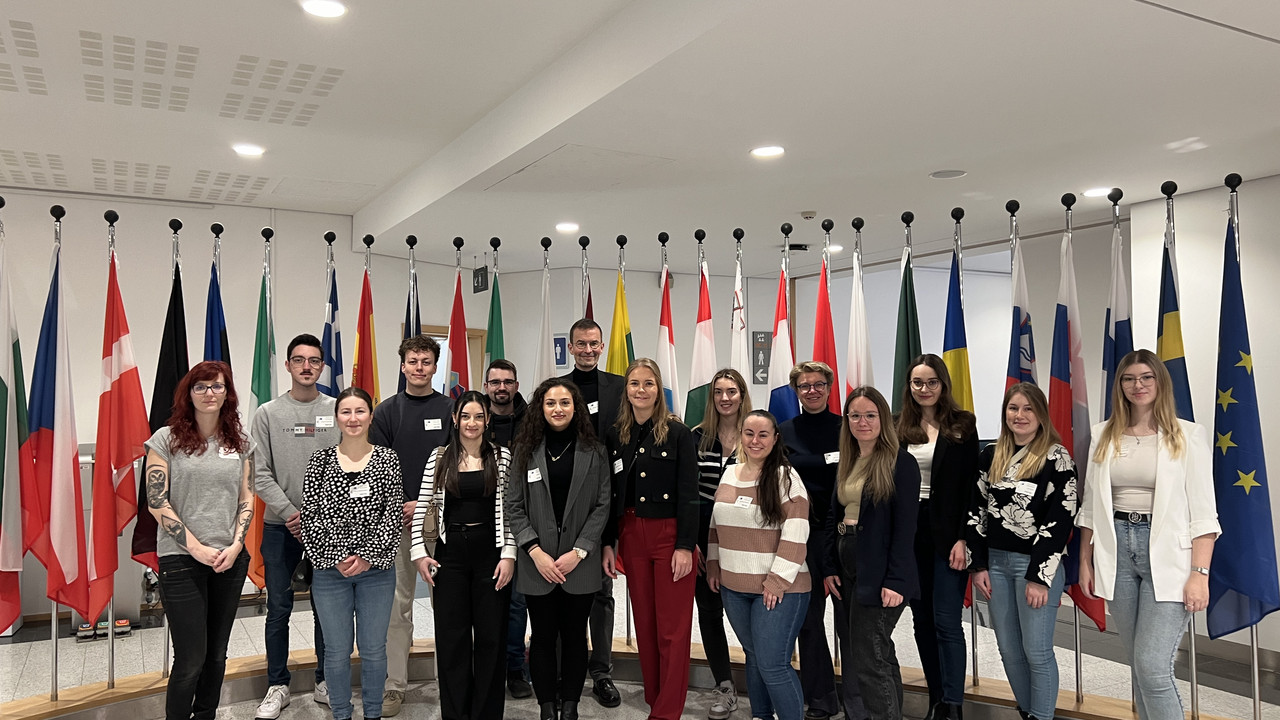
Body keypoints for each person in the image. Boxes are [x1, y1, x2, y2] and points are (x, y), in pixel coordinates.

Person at [1077, 349, 1219, 720]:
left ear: (1159, 383)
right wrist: (1085, 561)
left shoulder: (1188, 434)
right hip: (1117, 551)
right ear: (1120, 385)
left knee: (1153, 667)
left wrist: (1199, 575)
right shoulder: (1102, 434)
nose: (1137, 385)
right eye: (1129, 378)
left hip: (1168, 556)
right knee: (1138, 665)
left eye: (1146, 378)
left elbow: (1204, 514)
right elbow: (1092, 504)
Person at [144, 361, 255, 720]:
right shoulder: (165, 439)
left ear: (228, 393)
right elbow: (156, 501)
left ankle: (205, 714)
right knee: (191, 658)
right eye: (201, 387)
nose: (210, 393)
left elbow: (247, 497)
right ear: (188, 394)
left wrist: (237, 545)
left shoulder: (241, 442)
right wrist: (197, 548)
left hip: (230, 559)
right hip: (181, 559)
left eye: (218, 386)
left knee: (217, 654)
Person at [961, 383, 1077, 720]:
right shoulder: (991, 454)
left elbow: (1061, 518)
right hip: (995, 565)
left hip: (1036, 568)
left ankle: (1042, 716)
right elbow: (976, 512)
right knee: (1009, 649)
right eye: (1013, 408)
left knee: (1036, 651)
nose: (1020, 415)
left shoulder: (1057, 457)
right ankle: (1028, 712)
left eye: (1028, 409)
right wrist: (978, 564)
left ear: (1041, 414)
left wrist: (1039, 577)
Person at [504, 378, 612, 720]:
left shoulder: (594, 450)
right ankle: (546, 706)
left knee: (575, 637)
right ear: (541, 408)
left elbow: (602, 504)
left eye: (565, 402)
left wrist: (579, 551)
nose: (558, 409)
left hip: (579, 562)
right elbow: (514, 505)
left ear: (575, 407)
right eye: (550, 403)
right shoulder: (525, 450)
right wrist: (535, 551)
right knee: (543, 635)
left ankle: (570, 706)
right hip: (537, 562)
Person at [602, 358, 699, 720]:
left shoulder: (677, 433)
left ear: (659, 390)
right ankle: (655, 695)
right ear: (625, 390)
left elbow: (689, 493)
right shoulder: (617, 435)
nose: (640, 390)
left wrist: (686, 546)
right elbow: (612, 495)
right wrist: (610, 543)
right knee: (644, 622)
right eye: (634, 384)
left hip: (670, 535)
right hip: (631, 534)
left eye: (648, 383)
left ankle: (667, 711)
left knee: (672, 629)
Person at [410, 391, 516, 720]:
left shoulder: (502, 456)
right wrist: (418, 552)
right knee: (452, 640)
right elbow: (422, 506)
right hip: (449, 555)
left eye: (479, 416)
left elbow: (512, 510)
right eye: (466, 416)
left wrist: (509, 553)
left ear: (488, 420)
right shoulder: (439, 457)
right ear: (455, 419)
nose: (472, 423)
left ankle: (486, 714)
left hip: (491, 555)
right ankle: (456, 714)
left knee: (491, 638)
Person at [302, 387, 403, 720]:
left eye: (360, 411)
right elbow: (310, 515)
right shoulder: (320, 461)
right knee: (336, 652)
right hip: (331, 574)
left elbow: (392, 515)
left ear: (371, 416)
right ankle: (341, 714)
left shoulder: (388, 459)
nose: (353, 418)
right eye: (346, 412)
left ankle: (372, 714)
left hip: (377, 572)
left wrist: (367, 556)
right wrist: (339, 556)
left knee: (374, 650)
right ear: (336, 418)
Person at [252, 334, 337, 718]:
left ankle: (324, 680)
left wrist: (319, 515)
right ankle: (277, 685)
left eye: (314, 360)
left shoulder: (338, 410)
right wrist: (290, 513)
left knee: (327, 607)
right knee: (279, 607)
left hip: (328, 526)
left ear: (322, 367)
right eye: (299, 360)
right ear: (287, 366)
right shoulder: (267, 414)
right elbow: (259, 472)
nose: (307, 366)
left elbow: (348, 463)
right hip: (278, 526)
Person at [823, 386, 920, 720]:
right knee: (874, 652)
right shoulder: (849, 460)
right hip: (847, 559)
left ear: (883, 419)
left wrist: (895, 579)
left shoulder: (900, 463)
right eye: (854, 415)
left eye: (870, 415)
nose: (862, 422)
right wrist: (829, 565)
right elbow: (833, 516)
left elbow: (906, 529)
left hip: (880, 568)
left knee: (869, 656)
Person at [707, 410, 811, 720]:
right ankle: (760, 715)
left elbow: (797, 530)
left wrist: (777, 580)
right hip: (734, 587)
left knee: (773, 664)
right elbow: (716, 524)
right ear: (740, 436)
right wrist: (714, 564)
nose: (755, 440)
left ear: (775, 438)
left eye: (763, 434)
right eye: (749, 433)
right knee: (753, 657)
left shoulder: (786, 477)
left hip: (779, 589)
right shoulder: (730, 473)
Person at [370, 335, 453, 716]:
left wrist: (428, 500)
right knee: (397, 607)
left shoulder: (452, 409)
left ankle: (448, 682)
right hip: (398, 522)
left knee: (447, 606)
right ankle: (394, 685)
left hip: (445, 521)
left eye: (426, 361)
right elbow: (376, 467)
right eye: (412, 361)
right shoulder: (386, 412)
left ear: (436, 367)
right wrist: (402, 503)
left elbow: (461, 461)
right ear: (402, 366)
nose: (419, 368)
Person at [780, 362, 865, 720]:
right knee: (809, 621)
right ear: (795, 390)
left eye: (818, 385)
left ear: (829, 388)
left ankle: (858, 701)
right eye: (804, 386)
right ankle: (821, 699)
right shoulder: (783, 431)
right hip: (802, 536)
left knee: (850, 622)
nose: (811, 391)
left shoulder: (849, 429)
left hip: (845, 536)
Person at [896, 355, 978, 720]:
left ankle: (953, 703)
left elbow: (972, 488)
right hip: (910, 531)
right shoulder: (898, 427)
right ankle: (935, 700)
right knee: (922, 620)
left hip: (949, 533)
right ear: (909, 387)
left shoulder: (963, 424)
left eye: (931, 382)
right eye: (917, 383)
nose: (924, 389)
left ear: (943, 385)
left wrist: (964, 538)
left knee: (946, 619)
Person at [558, 318, 624, 708]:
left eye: (593, 343)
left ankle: (601, 672)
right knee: (561, 591)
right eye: (580, 343)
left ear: (602, 346)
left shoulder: (619, 387)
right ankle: (565, 669)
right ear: (571, 346)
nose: (586, 349)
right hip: (562, 504)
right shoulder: (557, 390)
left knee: (602, 592)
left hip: (605, 502)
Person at [691, 368, 751, 719]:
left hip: (744, 543)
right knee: (710, 614)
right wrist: (691, 542)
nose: (725, 398)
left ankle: (761, 682)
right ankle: (725, 686)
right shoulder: (698, 437)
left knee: (746, 616)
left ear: (742, 395)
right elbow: (688, 495)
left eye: (731, 391)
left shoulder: (756, 436)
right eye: (718, 392)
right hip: (702, 541)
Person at [484, 359, 534, 699]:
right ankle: (489, 667)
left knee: (517, 604)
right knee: (486, 603)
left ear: (516, 385)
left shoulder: (534, 422)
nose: (502, 387)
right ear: (486, 385)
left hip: (522, 524)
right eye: (495, 382)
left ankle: (515, 667)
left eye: (508, 382)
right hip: (480, 527)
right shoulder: (474, 420)